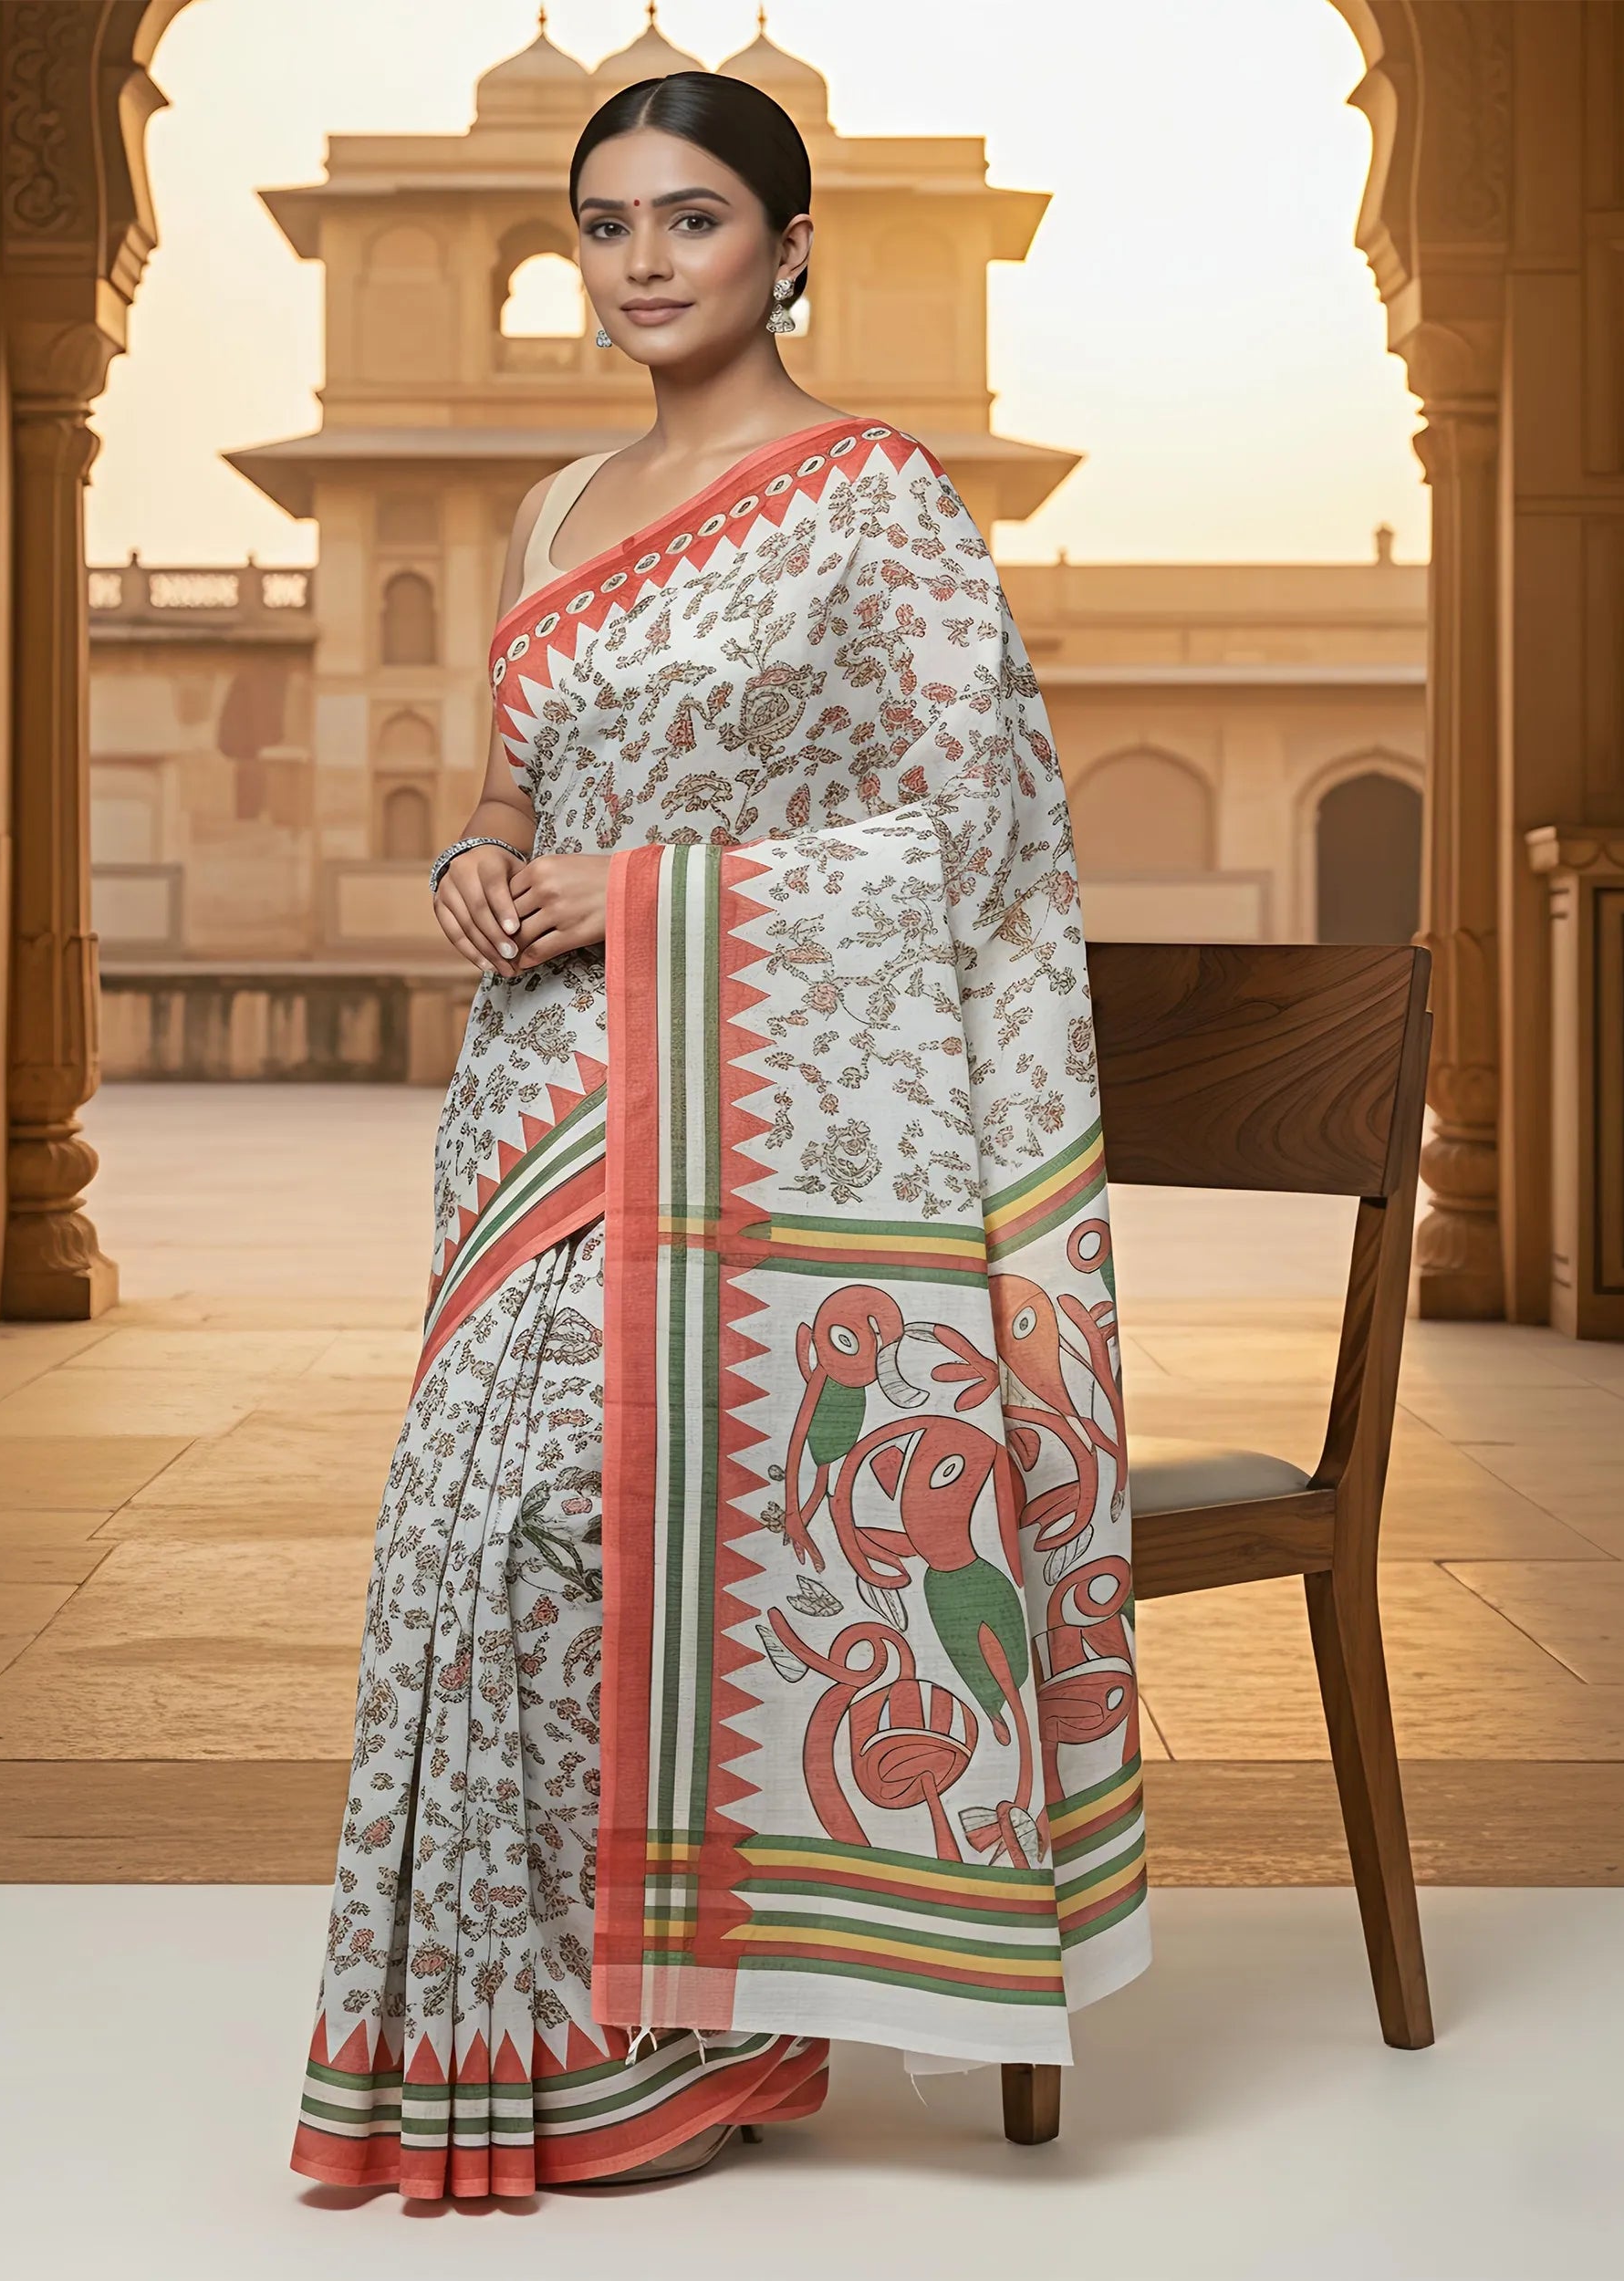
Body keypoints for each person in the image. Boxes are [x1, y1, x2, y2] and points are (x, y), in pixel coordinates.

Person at [290, 66, 1146, 2202]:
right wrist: (483, 864)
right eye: (604, 225)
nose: (640, 264)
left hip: (761, 1131)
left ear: (784, 248)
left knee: (582, 1519)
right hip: (545, 1111)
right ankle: (515, 2059)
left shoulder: (871, 495)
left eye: (688, 220)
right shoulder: (557, 509)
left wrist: (652, 893)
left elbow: (980, 825)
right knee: (452, 1543)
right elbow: (518, 784)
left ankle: (694, 2032)